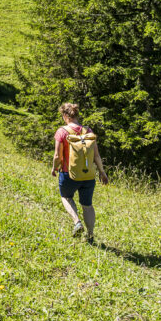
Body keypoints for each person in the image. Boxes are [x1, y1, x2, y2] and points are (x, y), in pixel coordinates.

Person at [51, 102, 108, 243]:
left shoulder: (62, 132)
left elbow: (58, 156)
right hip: (88, 175)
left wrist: (54, 168)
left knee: (66, 197)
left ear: (65, 116)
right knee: (87, 205)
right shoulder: (88, 131)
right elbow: (96, 155)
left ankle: (77, 222)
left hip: (68, 174)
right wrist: (102, 172)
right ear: (77, 115)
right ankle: (90, 235)